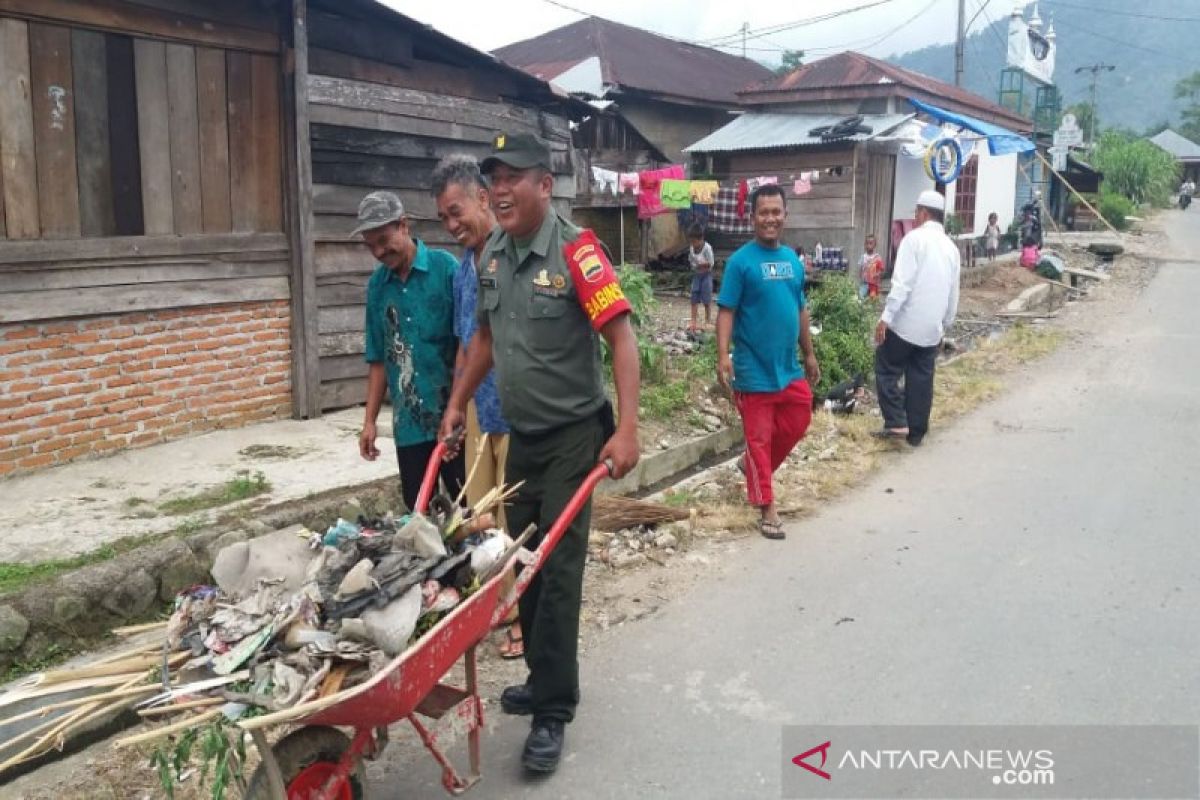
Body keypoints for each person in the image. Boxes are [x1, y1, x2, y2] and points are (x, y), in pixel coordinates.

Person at [438, 132, 640, 774]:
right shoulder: (492, 254)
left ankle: (554, 708)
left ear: (545, 186)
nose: (499, 189)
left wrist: (628, 429)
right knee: (520, 561)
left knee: (556, 571)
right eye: (493, 177)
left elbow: (622, 338)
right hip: (523, 436)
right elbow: (485, 341)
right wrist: (455, 403)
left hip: (575, 435)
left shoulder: (578, 253)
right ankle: (540, 676)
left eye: (512, 177)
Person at [430, 154, 523, 660]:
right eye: (443, 217)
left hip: (517, 413)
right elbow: (468, 346)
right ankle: (503, 607)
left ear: (483, 199)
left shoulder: (512, 256)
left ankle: (524, 617)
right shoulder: (465, 269)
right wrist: (457, 406)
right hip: (482, 416)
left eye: (456, 210)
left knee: (513, 521)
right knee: (480, 523)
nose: (451, 224)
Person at [716, 184, 820, 541]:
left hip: (788, 367)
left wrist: (809, 353)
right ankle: (767, 507)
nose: (770, 219)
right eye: (764, 212)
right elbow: (726, 311)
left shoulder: (792, 261)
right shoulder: (740, 263)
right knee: (758, 439)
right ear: (752, 217)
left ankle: (753, 469)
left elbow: (800, 309)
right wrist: (722, 355)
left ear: (785, 216)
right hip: (753, 370)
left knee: (801, 413)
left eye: (777, 212)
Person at [355, 191, 466, 510]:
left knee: (468, 505)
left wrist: (459, 404)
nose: (378, 251)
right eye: (370, 245)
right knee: (420, 515)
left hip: (454, 418)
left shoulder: (445, 269)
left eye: (383, 240)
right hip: (410, 425)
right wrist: (370, 421)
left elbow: (468, 346)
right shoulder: (378, 287)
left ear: (404, 226)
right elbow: (379, 358)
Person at [873, 189, 960, 447]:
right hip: (932, 328)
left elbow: (902, 285)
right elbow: (953, 292)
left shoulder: (914, 240)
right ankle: (917, 432)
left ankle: (897, 421)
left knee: (886, 367)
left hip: (905, 324)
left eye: (915, 212)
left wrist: (885, 318)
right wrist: (945, 324)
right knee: (921, 376)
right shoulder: (951, 248)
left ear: (922, 213)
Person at [686, 224, 715, 332]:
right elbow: (691, 261)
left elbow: (711, 263)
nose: (693, 244)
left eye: (694, 241)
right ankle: (693, 320)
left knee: (706, 298)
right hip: (697, 275)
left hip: (706, 275)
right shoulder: (692, 249)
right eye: (691, 242)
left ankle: (707, 320)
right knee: (694, 296)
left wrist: (703, 264)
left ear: (701, 239)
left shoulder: (707, 248)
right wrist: (696, 266)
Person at [858, 234, 884, 300]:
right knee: (861, 296)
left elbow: (881, 269)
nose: (869, 245)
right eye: (867, 243)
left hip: (873, 284)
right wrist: (860, 278)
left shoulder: (877, 257)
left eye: (871, 243)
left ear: (874, 245)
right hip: (864, 283)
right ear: (865, 245)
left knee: (872, 298)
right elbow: (860, 269)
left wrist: (877, 274)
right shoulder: (863, 257)